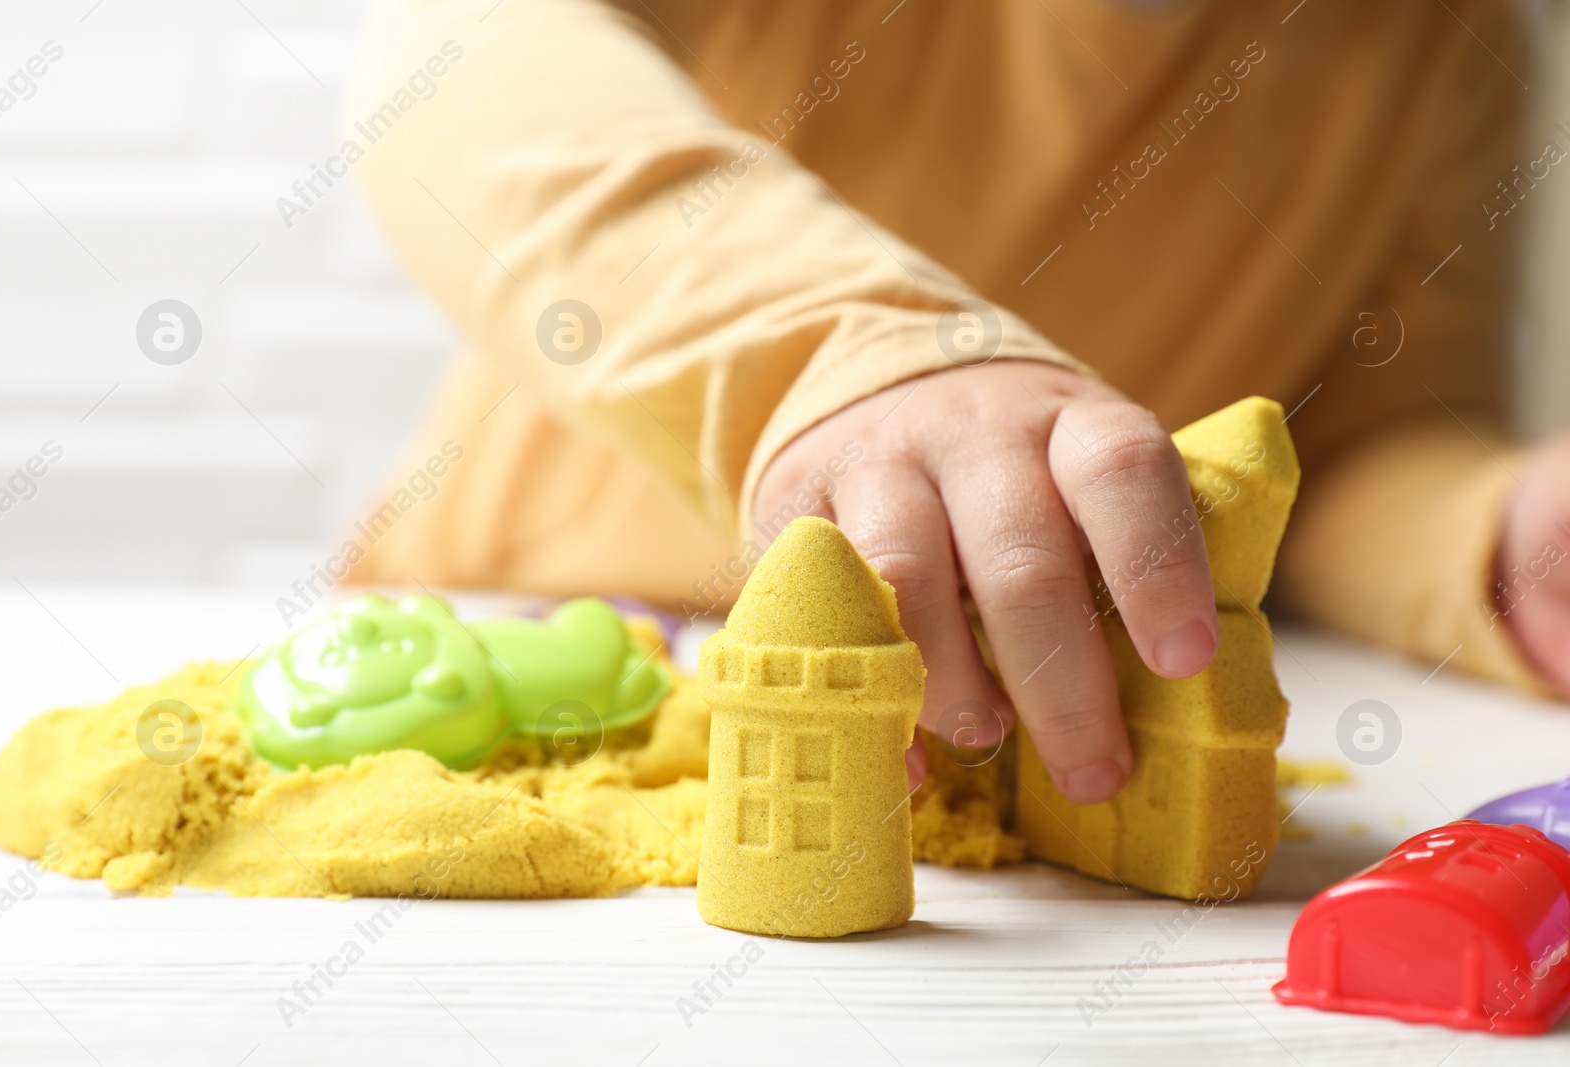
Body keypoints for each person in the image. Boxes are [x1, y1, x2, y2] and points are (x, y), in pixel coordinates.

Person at [340, 0, 1556, 804]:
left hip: (975, 733)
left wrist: (1497, 538)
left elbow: (1343, 440)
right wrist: (855, 352)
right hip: (485, 660)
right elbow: (465, 57)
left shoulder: (1444, 46)